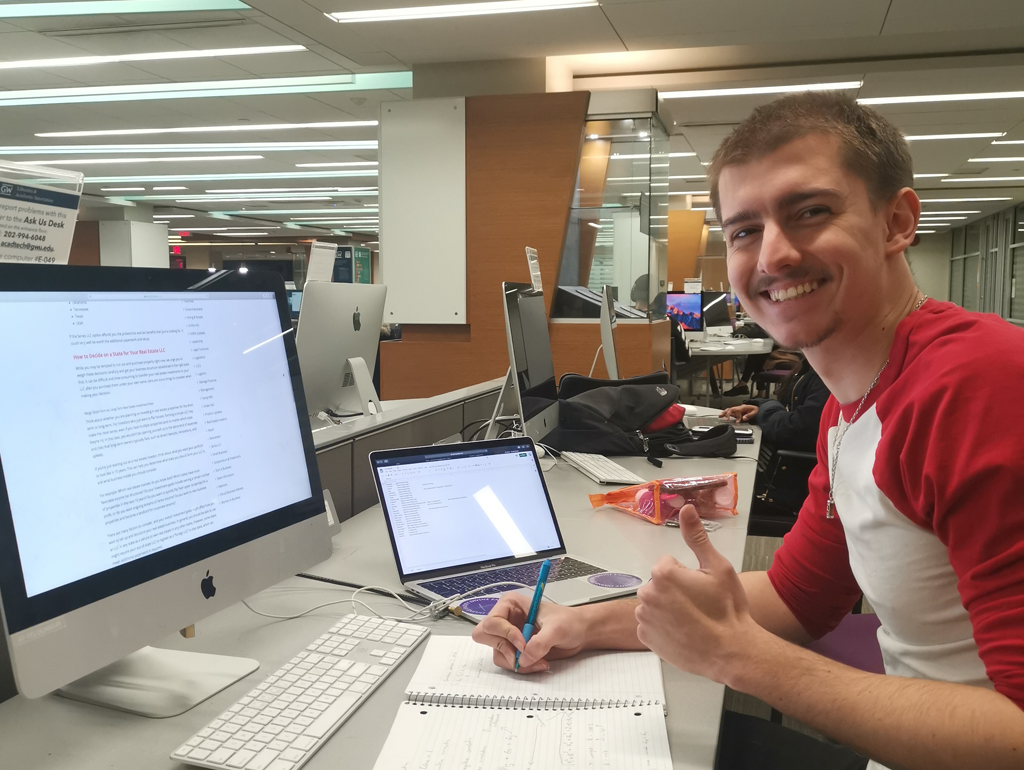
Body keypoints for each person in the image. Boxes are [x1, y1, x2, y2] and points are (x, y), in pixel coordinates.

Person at [473, 92, 1024, 770]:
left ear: (897, 222)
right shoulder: (849, 407)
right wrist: (580, 623)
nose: (776, 255)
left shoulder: (982, 386)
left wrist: (741, 659)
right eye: (743, 231)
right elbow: (796, 596)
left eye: (811, 212)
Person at [720, 355, 829, 452]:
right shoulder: (808, 366)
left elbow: (795, 430)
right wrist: (759, 406)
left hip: (792, 463)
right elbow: (787, 409)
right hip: (782, 451)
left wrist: (762, 411)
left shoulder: (825, 378)